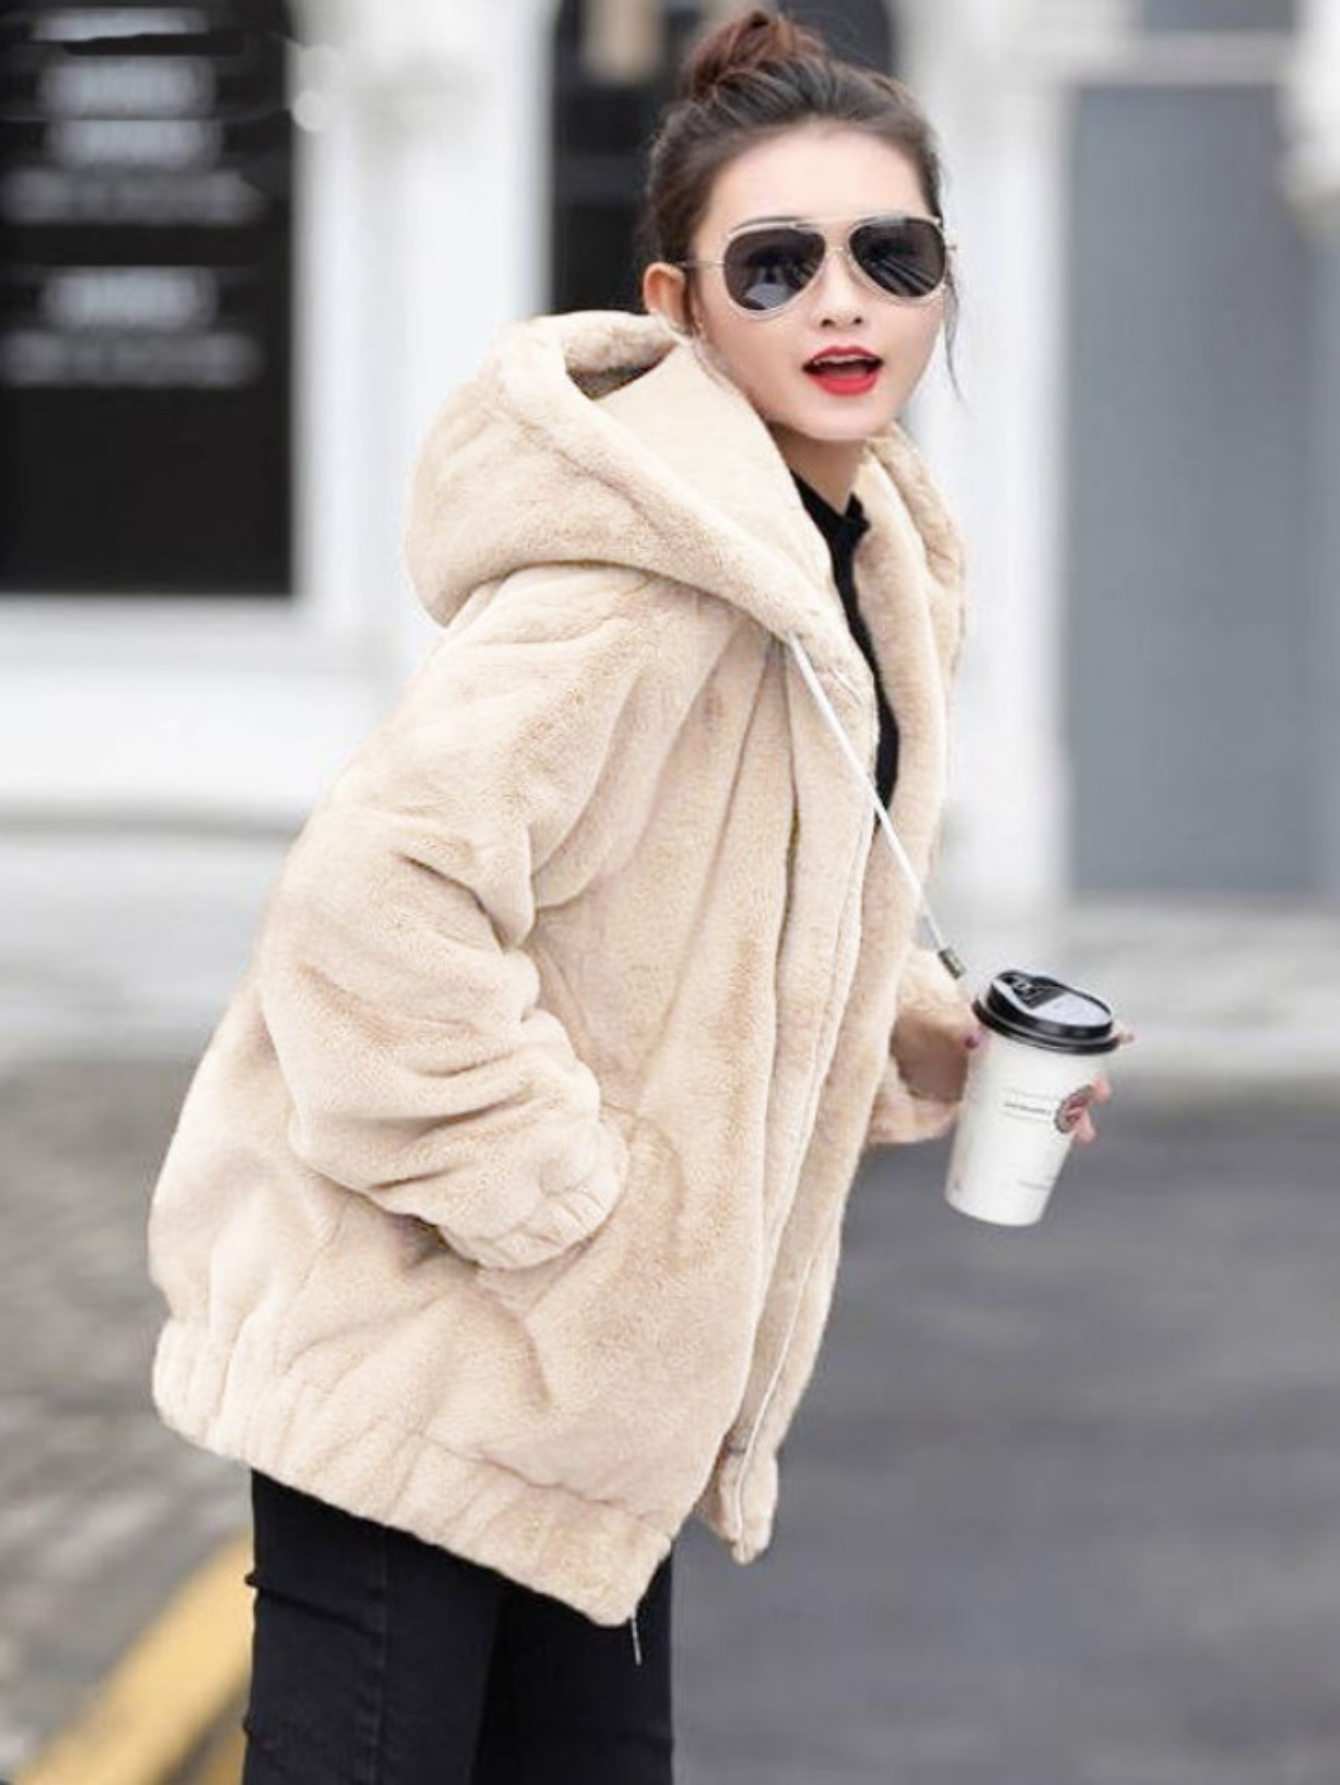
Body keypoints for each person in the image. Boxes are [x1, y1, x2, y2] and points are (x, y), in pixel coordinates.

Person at [146, 9, 1117, 1781]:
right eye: (777, 263)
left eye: (892, 257)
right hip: (429, 1359)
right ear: (682, 308)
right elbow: (368, 908)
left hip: (586, 1401)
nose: (843, 304)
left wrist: (928, 1036)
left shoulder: (846, 563)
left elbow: (740, 901)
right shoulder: (630, 586)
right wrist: (566, 1207)